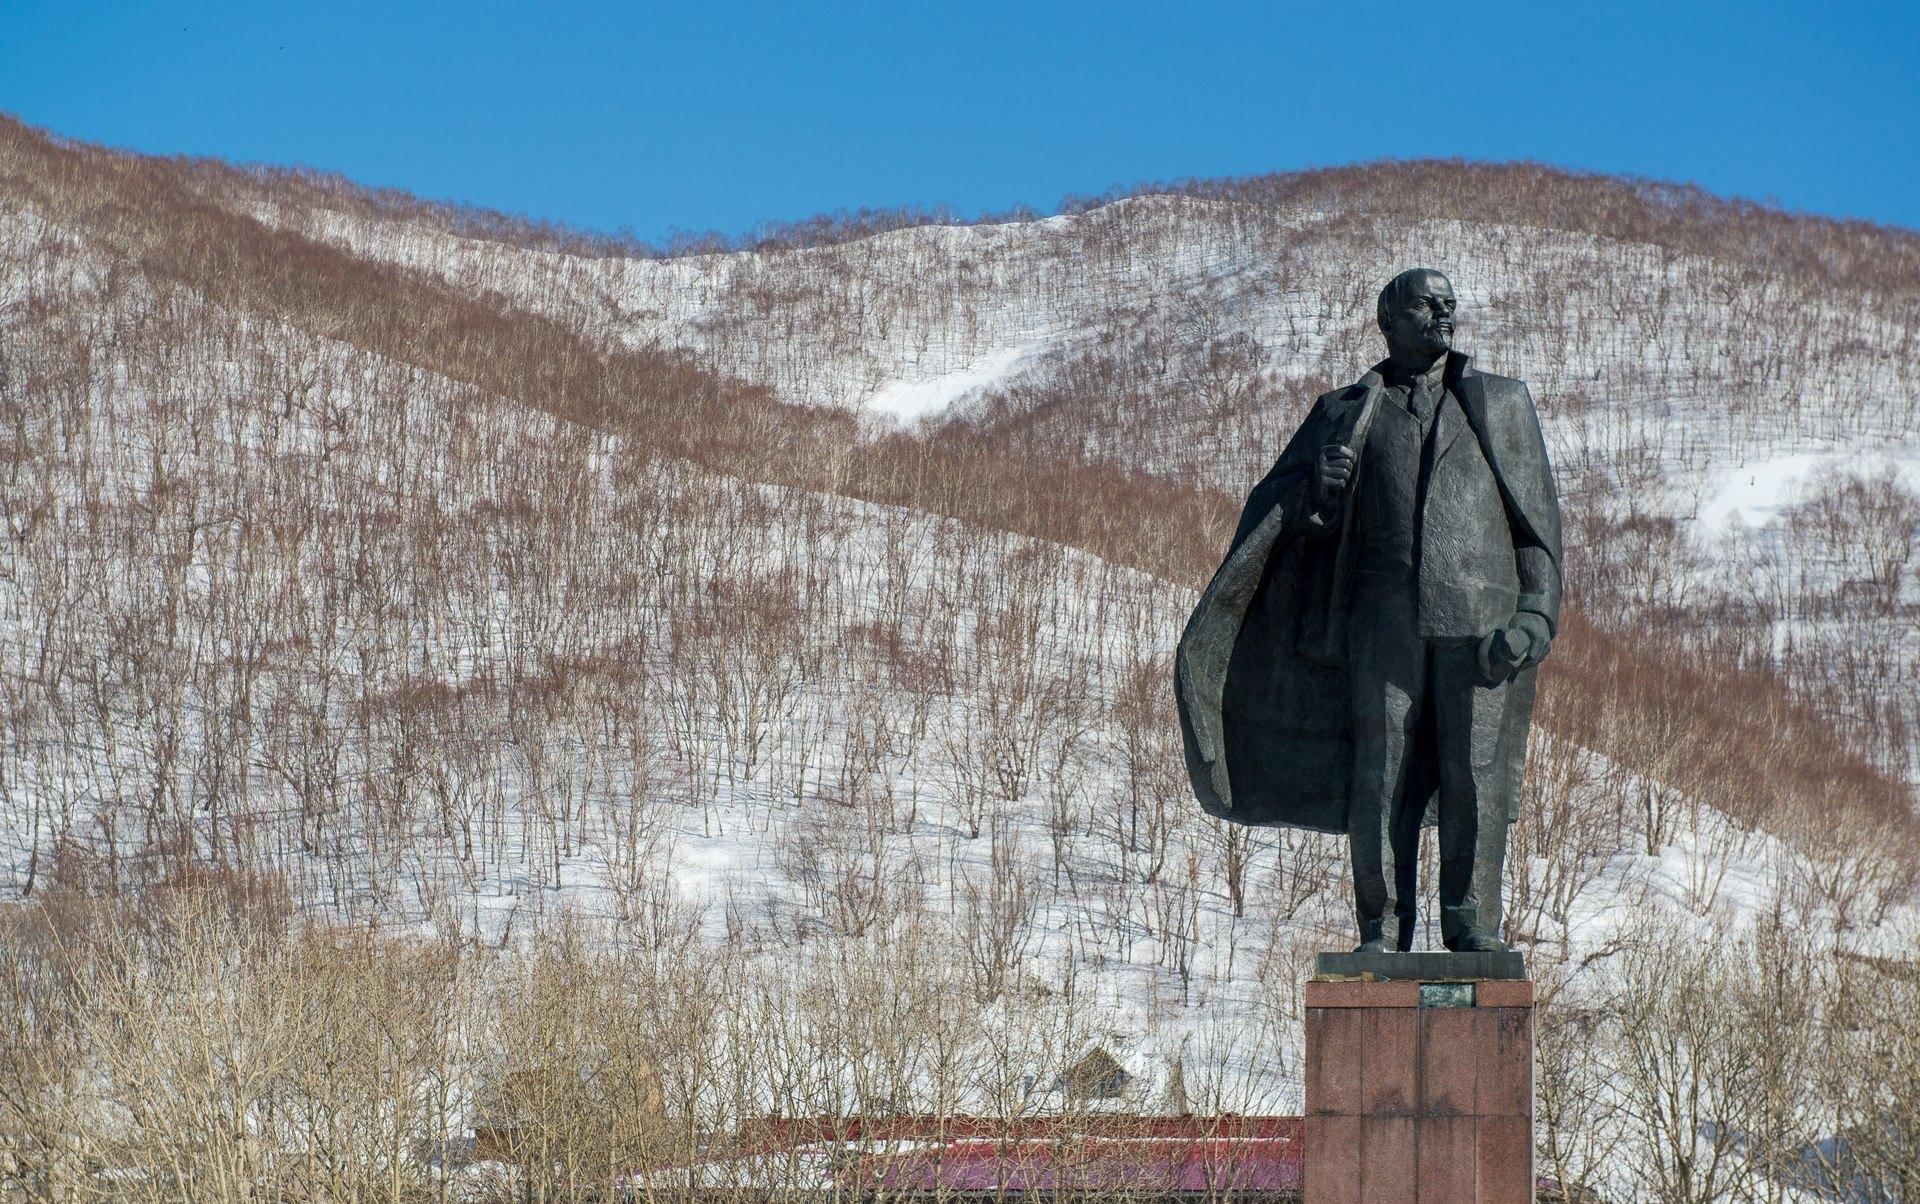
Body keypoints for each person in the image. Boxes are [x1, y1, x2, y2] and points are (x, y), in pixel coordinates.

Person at [1175, 268, 1562, 953]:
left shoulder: (1498, 403)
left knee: (1477, 779)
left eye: (1450, 302)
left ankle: (1473, 925)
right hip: (1379, 625)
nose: (1445, 311)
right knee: (1380, 779)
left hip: (1482, 625)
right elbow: (1281, 519)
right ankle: (1382, 930)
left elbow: (1535, 527)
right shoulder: (1344, 411)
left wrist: (1536, 614)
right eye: (1426, 302)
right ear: (1389, 320)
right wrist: (1315, 496)